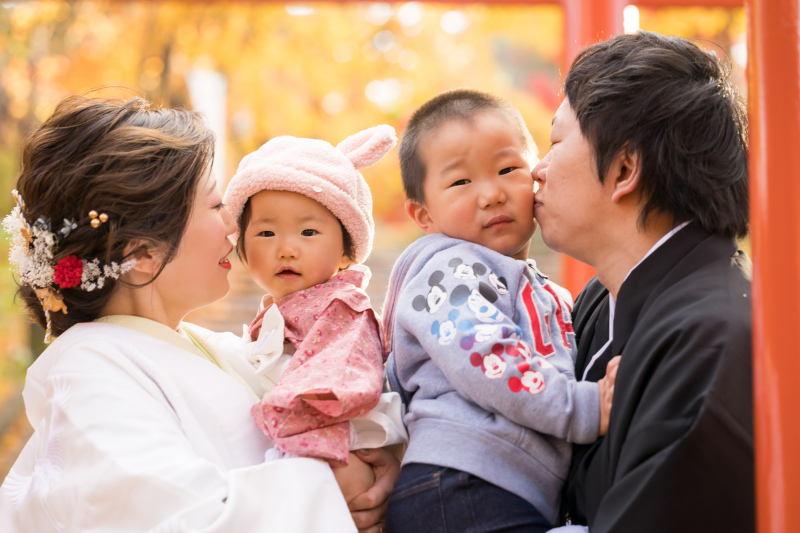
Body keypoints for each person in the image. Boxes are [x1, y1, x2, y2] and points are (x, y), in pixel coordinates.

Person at [0, 95, 398, 533]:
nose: (234, 223)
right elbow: (180, 522)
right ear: (143, 252)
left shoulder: (212, 348)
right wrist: (330, 487)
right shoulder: (89, 374)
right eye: (214, 206)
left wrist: (379, 463)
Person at [532, 31, 753, 532]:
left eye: (555, 143)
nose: (537, 171)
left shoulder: (712, 339)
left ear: (626, 167)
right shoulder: (600, 298)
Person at [382, 89, 615, 532]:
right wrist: (585, 407)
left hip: (497, 489)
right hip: (459, 482)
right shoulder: (446, 273)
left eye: (509, 170)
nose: (490, 194)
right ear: (423, 215)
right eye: (460, 182)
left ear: (537, 178)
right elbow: (486, 355)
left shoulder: (547, 292)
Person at [221, 125, 407, 503]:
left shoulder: (342, 306)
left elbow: (341, 366)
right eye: (266, 234)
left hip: (336, 436)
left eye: (308, 232)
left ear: (345, 251)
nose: (286, 249)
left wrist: (294, 411)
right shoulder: (275, 310)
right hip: (292, 438)